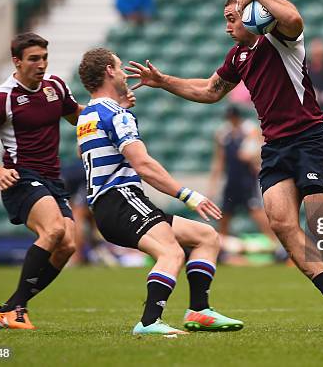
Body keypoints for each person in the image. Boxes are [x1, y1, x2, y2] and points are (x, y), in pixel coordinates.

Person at [125, 0, 323, 328]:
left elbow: (294, 17)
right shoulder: (237, 55)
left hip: (311, 140)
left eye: (231, 18)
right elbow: (209, 91)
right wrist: (163, 81)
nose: (227, 27)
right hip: (275, 148)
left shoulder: (281, 39)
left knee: (321, 225)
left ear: (250, 15)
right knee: (281, 224)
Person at [76, 47, 243, 335]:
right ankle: (150, 322)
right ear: (109, 71)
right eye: (120, 65)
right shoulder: (117, 115)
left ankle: (199, 311)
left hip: (109, 205)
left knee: (206, 236)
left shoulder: (88, 115)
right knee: (171, 252)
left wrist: (121, 107)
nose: (126, 74)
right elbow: (144, 165)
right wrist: (189, 195)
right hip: (121, 200)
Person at [0, 32, 95, 330]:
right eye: (34, 59)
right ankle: (15, 309)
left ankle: (11, 307)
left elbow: (77, 116)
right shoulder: (2, 99)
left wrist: (111, 112)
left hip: (52, 180)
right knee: (54, 229)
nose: (41, 64)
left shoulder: (55, 87)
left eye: (44, 58)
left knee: (69, 245)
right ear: (17, 61)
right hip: (21, 178)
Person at [209, 106, 277, 256]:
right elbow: (219, 160)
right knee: (225, 214)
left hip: (247, 178)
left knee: (256, 211)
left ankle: (275, 244)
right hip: (232, 178)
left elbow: (258, 153)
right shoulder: (223, 133)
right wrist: (213, 184)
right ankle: (222, 247)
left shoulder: (249, 130)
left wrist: (252, 156)